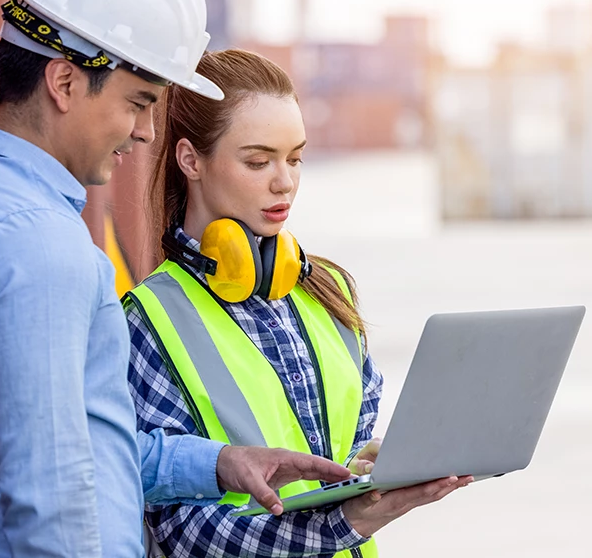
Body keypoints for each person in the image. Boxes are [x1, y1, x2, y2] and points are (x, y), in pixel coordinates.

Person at [0, 0, 350, 557]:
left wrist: (222, 464)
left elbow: (79, 444)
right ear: (64, 81)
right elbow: (50, 492)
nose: (147, 131)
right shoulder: (36, 241)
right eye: (137, 103)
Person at [125, 49, 472, 558]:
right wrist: (344, 524)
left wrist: (368, 469)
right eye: (257, 161)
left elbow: (346, 444)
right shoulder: (149, 320)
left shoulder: (328, 292)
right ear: (191, 160)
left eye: (295, 158)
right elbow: (184, 531)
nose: (284, 181)